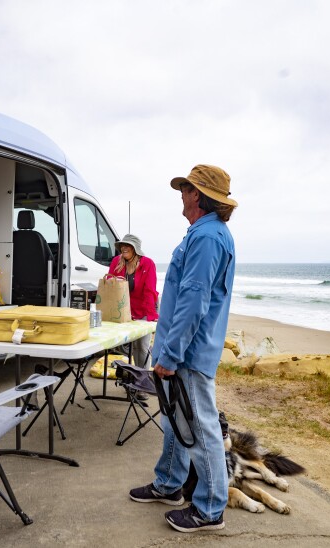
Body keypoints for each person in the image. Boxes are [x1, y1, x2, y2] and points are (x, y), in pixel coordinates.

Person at [128, 164, 237, 533]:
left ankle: (209, 509)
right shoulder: (204, 233)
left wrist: (171, 355)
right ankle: (169, 485)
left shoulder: (207, 237)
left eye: (186, 188)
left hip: (189, 352)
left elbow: (193, 301)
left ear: (198, 197)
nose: (182, 193)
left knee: (200, 426)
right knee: (176, 420)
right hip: (185, 349)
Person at [107, 233, 158, 369]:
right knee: (127, 345)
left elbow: (150, 291)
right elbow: (109, 284)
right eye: (122, 245)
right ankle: (132, 375)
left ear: (136, 249)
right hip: (123, 310)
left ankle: (143, 380)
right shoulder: (116, 261)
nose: (124, 248)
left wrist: (150, 315)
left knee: (141, 346)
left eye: (128, 246)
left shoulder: (148, 263)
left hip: (144, 308)